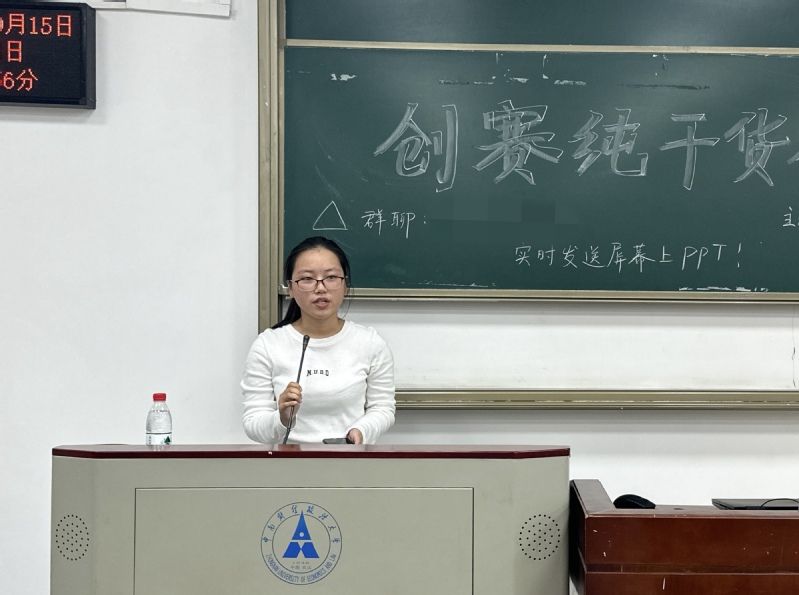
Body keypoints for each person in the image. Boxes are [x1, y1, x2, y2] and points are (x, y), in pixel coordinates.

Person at [241, 236, 396, 444]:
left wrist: (360, 432)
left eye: (331, 277)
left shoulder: (370, 343)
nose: (320, 288)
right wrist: (282, 418)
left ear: (345, 285)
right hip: (289, 462)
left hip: (349, 458)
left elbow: (383, 408)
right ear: (290, 288)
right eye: (307, 279)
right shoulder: (268, 345)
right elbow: (253, 423)